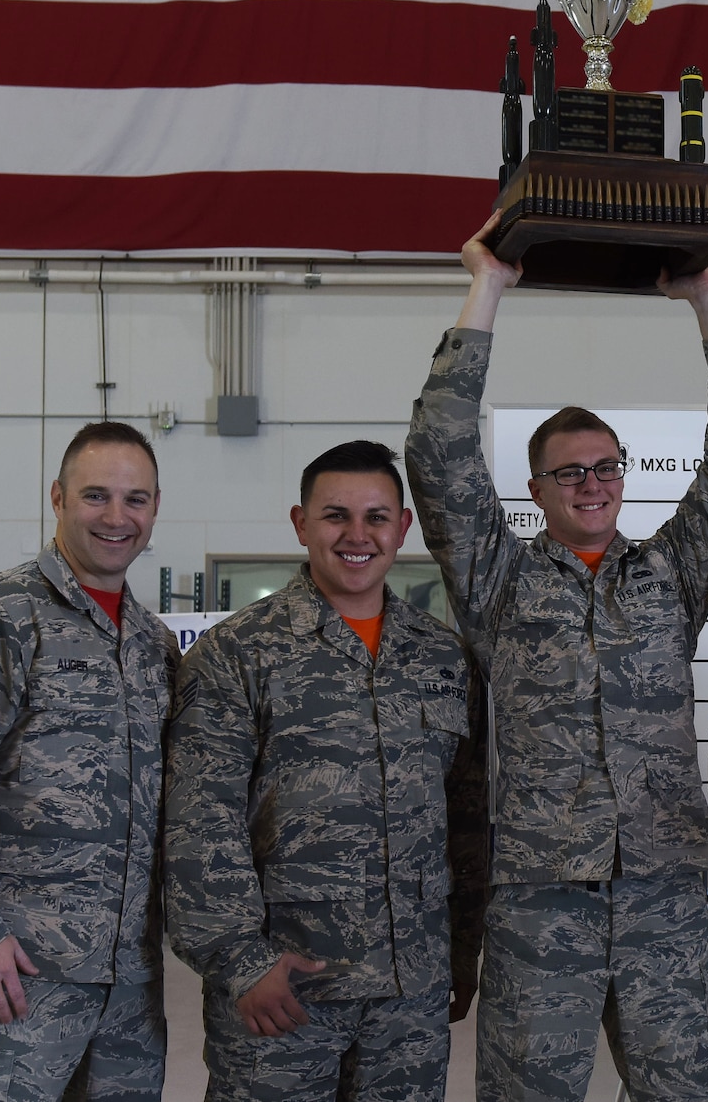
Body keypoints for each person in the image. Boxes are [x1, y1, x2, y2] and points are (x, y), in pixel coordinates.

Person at [404, 216, 708, 1102]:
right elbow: (436, 454)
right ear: (535, 490)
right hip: (544, 904)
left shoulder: (671, 575)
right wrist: (488, 286)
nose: (593, 481)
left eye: (607, 465)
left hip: (664, 901)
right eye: (570, 470)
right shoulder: (499, 581)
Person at [162, 441, 486, 1101]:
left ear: (402, 525)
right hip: (283, 993)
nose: (357, 535)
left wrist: (462, 948)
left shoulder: (442, 658)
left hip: (410, 997)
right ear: (300, 522)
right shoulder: (237, 654)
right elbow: (199, 823)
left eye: (376, 516)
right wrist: (240, 962)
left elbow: (467, 816)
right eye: (336, 514)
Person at [0, 422, 179, 1101]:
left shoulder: (152, 643)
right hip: (11, 976)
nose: (116, 517)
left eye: (135, 499)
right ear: (57, 497)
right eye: (95, 495)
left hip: (125, 991)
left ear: (156, 507)